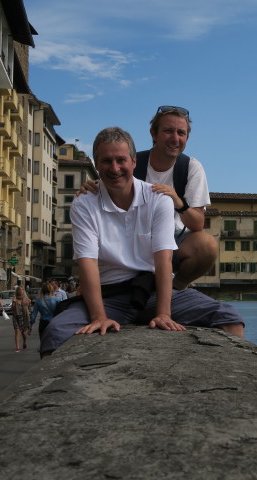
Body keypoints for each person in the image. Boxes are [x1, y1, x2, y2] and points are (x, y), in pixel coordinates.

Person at [40, 127, 243, 357]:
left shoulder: (158, 199)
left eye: (121, 160)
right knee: (55, 334)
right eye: (107, 161)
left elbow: (164, 259)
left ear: (134, 162)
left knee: (230, 320)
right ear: (96, 165)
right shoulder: (84, 204)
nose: (115, 168)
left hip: (152, 291)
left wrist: (164, 313)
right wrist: (99, 317)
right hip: (109, 296)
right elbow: (87, 264)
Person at [79, 106, 217, 290]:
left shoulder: (191, 167)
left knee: (207, 245)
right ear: (153, 133)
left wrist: (178, 202)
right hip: (134, 240)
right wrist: (92, 187)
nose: (175, 138)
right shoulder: (134, 162)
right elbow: (111, 181)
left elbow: (198, 224)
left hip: (173, 240)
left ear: (187, 138)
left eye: (181, 133)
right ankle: (99, 285)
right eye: (168, 131)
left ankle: (177, 287)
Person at [11, 287, 31, 351]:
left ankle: (24, 342)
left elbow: (29, 309)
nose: (21, 291)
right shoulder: (15, 298)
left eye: (22, 290)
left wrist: (29, 303)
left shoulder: (26, 298)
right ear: (17, 291)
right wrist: (13, 302)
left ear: (23, 291)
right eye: (19, 290)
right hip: (16, 317)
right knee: (17, 331)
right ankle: (17, 347)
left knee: (23, 333)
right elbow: (12, 309)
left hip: (24, 317)